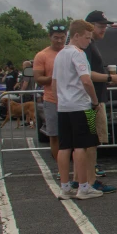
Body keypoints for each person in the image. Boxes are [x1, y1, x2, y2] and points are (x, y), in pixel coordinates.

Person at [51, 20, 103, 200]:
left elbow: (54, 83)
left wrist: (60, 101)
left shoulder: (59, 55)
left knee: (64, 146)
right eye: (87, 38)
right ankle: (84, 187)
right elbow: (86, 80)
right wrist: (94, 101)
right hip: (82, 106)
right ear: (77, 36)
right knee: (83, 146)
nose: (89, 41)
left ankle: (65, 187)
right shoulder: (78, 54)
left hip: (63, 107)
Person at [83, 10, 117, 194]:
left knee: (90, 141)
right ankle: (90, 181)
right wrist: (110, 77)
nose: (104, 30)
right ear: (90, 26)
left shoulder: (90, 45)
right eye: (101, 26)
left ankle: (84, 180)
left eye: (105, 26)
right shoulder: (86, 46)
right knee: (91, 140)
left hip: (93, 100)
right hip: (91, 101)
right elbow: (86, 75)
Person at [34, 24, 69, 162]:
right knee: (54, 135)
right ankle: (60, 166)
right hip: (52, 100)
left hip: (71, 100)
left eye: (62, 37)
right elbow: (38, 78)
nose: (59, 41)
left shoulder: (72, 52)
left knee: (72, 135)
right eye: (56, 38)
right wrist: (54, 78)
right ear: (50, 37)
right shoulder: (42, 55)